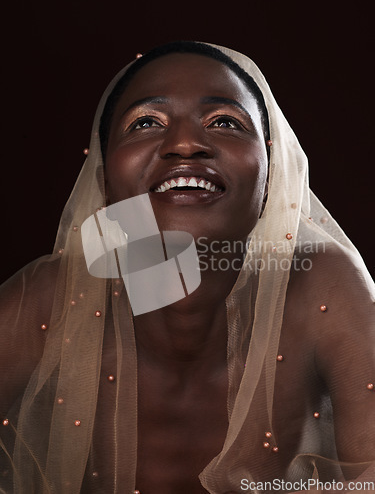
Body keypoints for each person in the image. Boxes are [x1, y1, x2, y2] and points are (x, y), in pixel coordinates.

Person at [0, 41, 374, 494]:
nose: (184, 144)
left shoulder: (325, 285)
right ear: (104, 181)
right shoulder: (46, 299)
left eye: (225, 122)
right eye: (145, 123)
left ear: (273, 173)